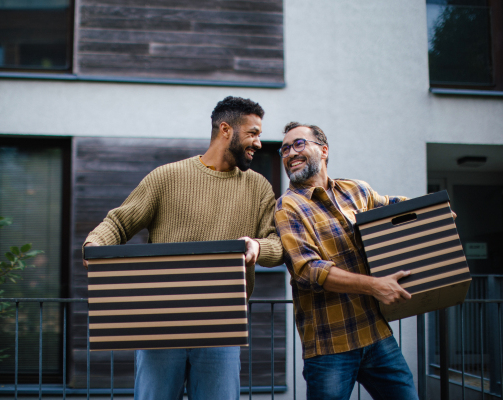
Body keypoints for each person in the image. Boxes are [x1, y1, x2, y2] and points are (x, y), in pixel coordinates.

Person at [82, 96, 283, 400]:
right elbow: (119, 223)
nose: (258, 142)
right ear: (225, 129)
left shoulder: (259, 187)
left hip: (221, 326)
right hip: (160, 322)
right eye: (253, 133)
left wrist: (257, 246)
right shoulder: (167, 177)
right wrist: (95, 244)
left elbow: (277, 244)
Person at [274, 122, 419, 400]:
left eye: (299, 144)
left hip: (376, 334)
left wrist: (435, 211)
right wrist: (375, 286)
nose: (290, 153)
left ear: (324, 150)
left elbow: (393, 207)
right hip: (330, 344)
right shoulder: (288, 206)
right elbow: (307, 270)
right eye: (284, 149)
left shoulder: (356, 191)